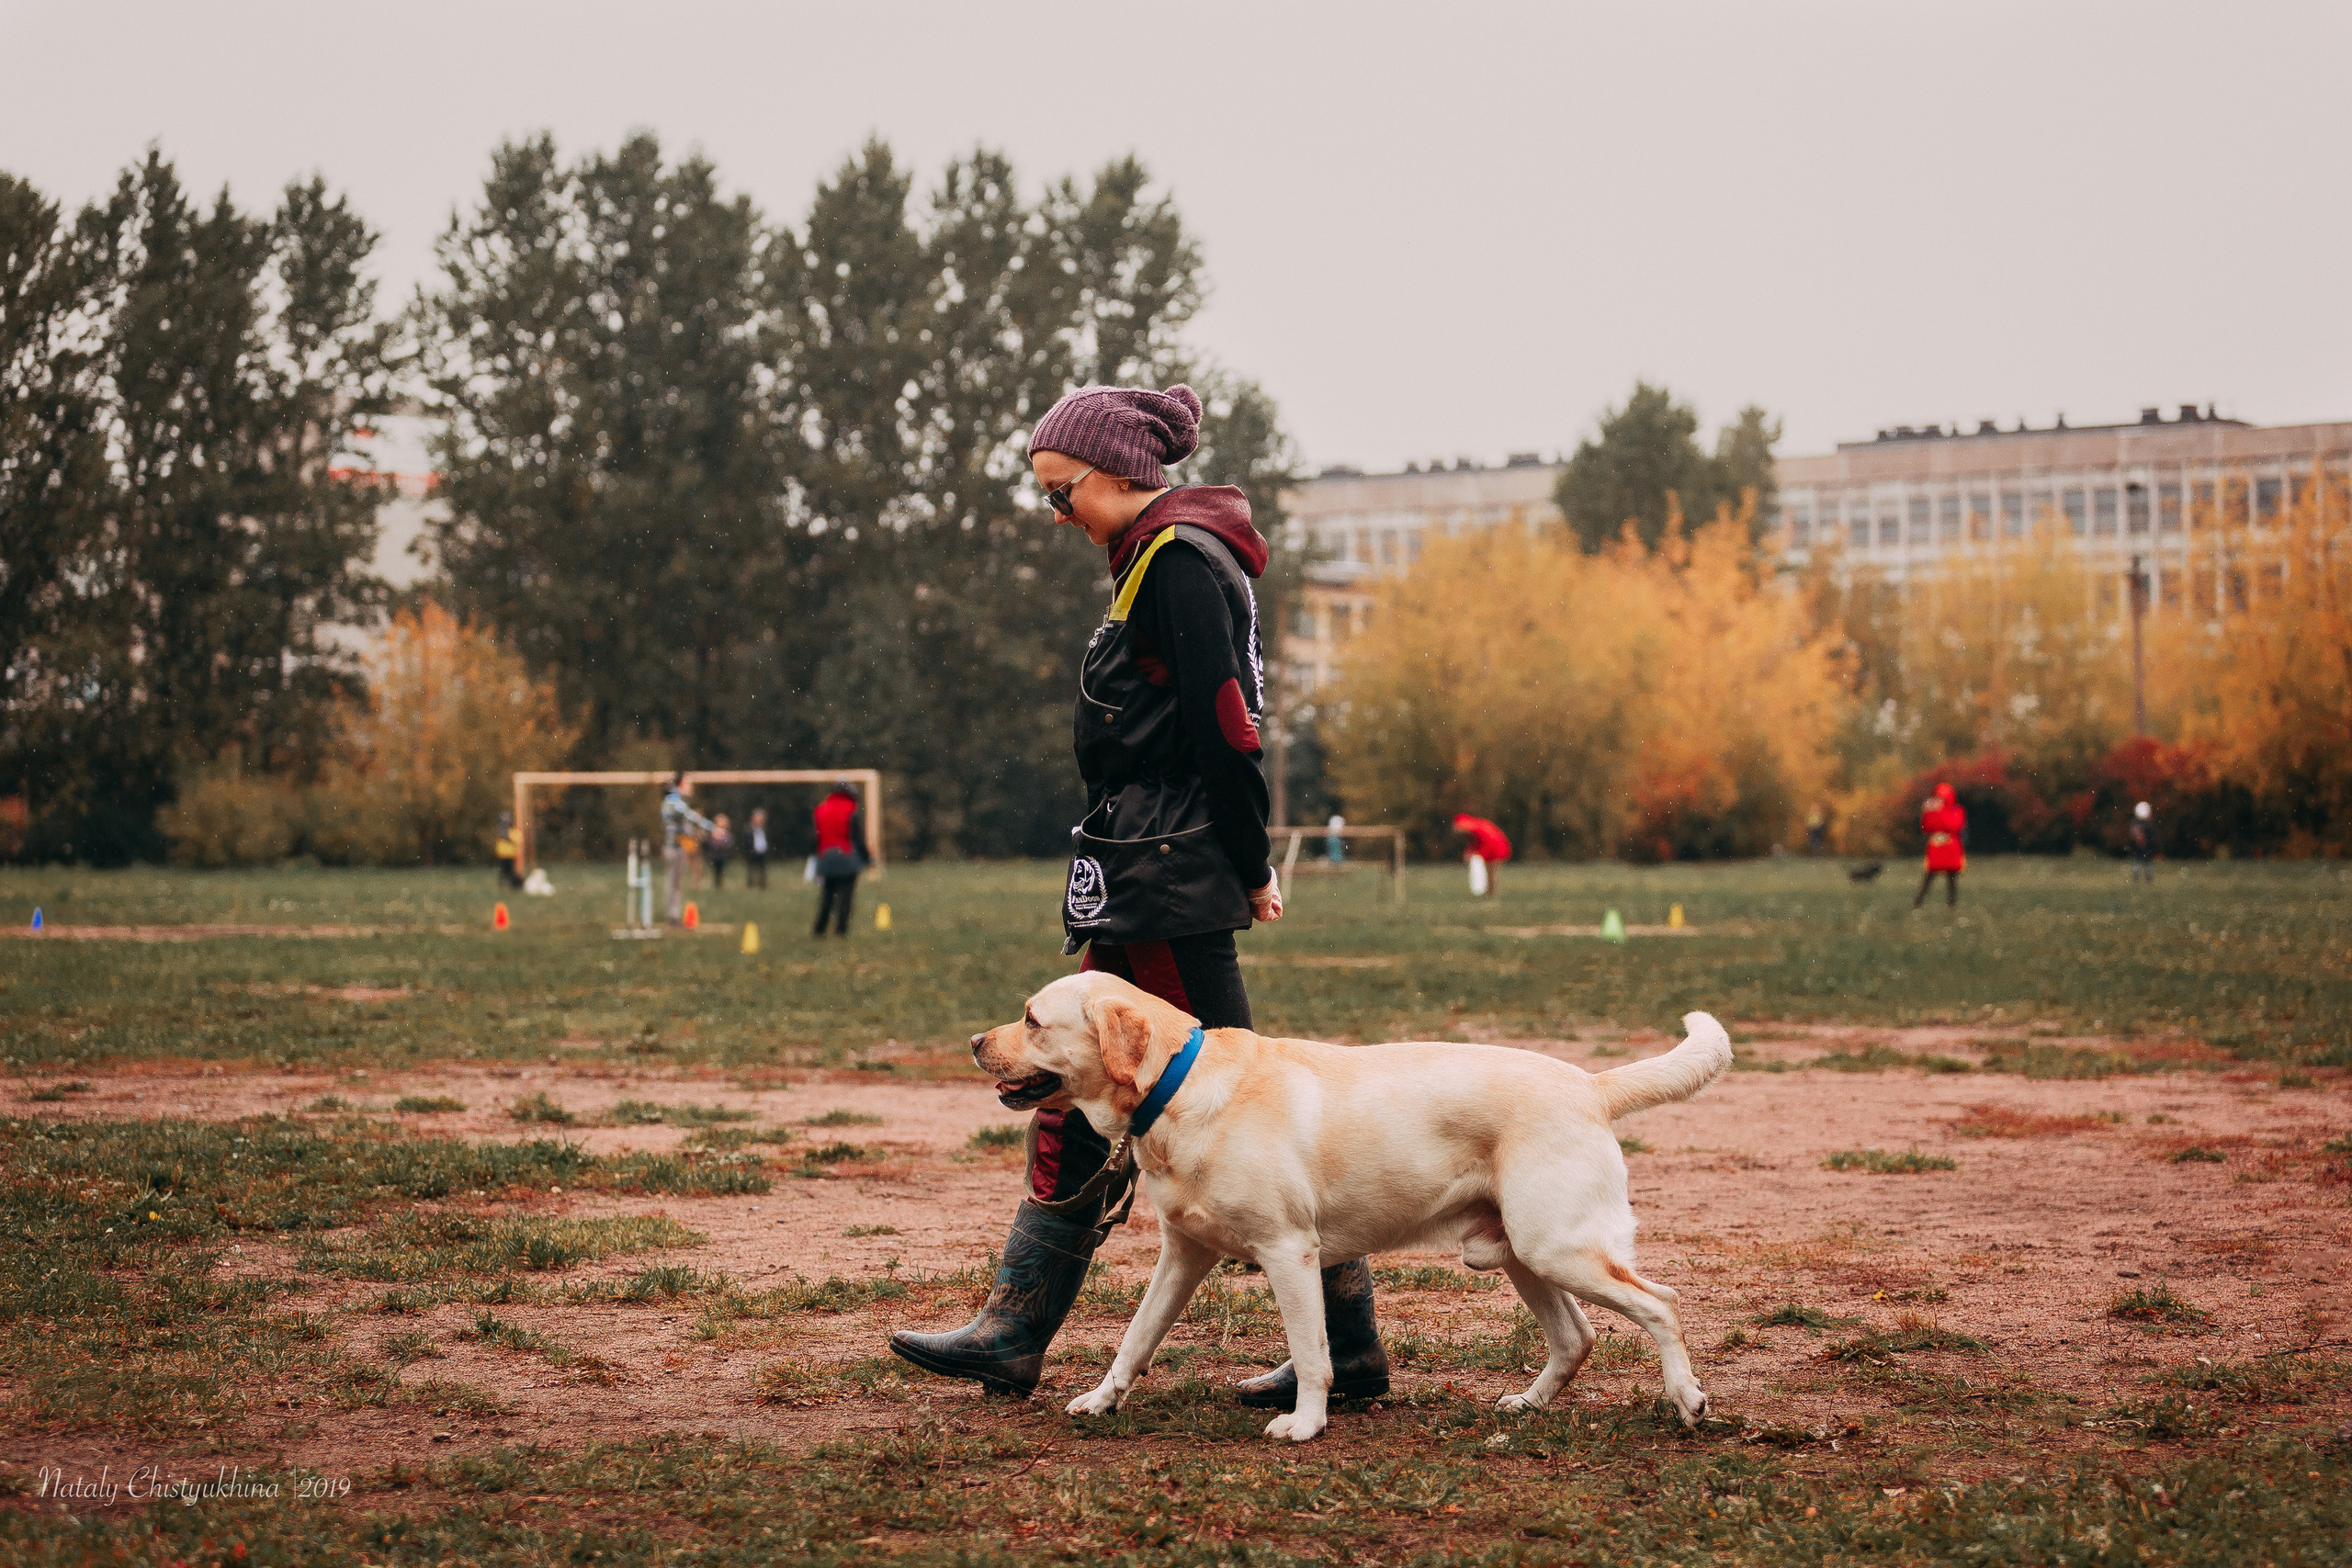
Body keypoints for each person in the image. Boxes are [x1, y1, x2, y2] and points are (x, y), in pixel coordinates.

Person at [890, 382, 1390, 1413]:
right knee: (1186, 1100)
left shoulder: (1177, 566)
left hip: (1167, 876)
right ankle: (1344, 1349)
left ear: (1124, 474)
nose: (1057, 514)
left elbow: (1227, 727)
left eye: (1062, 492)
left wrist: (1251, 863)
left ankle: (1015, 1328)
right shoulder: (1152, 560)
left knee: (1097, 1081)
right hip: (1146, 866)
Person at [810, 782, 872, 937]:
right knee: (846, 897)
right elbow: (857, 839)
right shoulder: (851, 810)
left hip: (825, 858)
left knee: (827, 896)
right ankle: (840, 930)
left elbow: (818, 837)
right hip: (846, 858)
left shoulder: (820, 810)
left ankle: (819, 929)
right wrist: (867, 859)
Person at [660, 773, 714, 926]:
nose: (691, 787)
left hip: (676, 847)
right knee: (673, 883)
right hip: (673, 848)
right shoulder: (674, 801)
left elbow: (686, 826)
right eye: (688, 784)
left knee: (675, 883)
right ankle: (672, 917)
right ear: (681, 784)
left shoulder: (675, 801)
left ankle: (673, 915)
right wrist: (713, 828)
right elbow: (691, 817)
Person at [1913, 782, 1965, 908]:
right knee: (1930, 875)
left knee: (1951, 876)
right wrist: (1929, 812)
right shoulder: (1930, 810)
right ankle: (1919, 901)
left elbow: (1955, 826)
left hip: (1949, 846)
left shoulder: (1956, 811)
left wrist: (1939, 813)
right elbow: (1926, 827)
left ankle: (1951, 903)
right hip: (1936, 845)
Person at [1453, 813, 1511, 897]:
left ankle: (1491, 893)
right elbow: (1474, 844)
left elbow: (1488, 843)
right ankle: (1489, 893)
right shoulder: (1474, 830)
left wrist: (1480, 854)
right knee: (1489, 873)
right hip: (1491, 850)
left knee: (1491, 873)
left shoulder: (1479, 829)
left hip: (1496, 850)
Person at [492, 812, 523, 890]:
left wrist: (507, 837)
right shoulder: (502, 831)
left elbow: (517, 840)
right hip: (503, 855)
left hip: (510, 855)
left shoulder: (512, 831)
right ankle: (505, 886)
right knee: (504, 872)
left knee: (509, 872)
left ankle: (514, 886)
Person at [2128, 799, 2155, 884]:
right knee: (2145, 864)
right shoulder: (2147, 825)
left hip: (2140, 849)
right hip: (2144, 849)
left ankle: (2139, 880)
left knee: (2140, 864)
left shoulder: (2135, 824)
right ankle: (2147, 880)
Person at [707, 814, 735, 888]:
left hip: (722, 854)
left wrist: (722, 843)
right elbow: (711, 842)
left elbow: (729, 842)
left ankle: (720, 883)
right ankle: (716, 884)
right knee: (715, 870)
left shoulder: (726, 833)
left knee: (721, 869)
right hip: (715, 854)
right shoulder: (714, 831)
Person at [746, 807, 771, 890]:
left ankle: (762, 884)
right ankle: (751, 884)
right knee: (751, 869)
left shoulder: (765, 829)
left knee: (762, 869)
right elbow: (747, 841)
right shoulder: (749, 829)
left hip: (762, 851)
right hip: (752, 851)